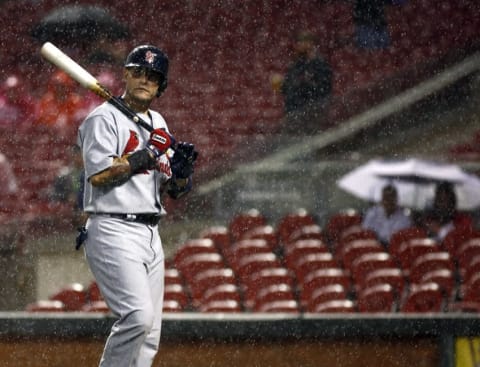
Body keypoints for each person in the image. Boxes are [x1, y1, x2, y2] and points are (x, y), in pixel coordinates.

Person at [77, 45, 197, 366]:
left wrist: (183, 174)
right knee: (137, 318)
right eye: (139, 72)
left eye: (153, 76)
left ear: (161, 86)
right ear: (127, 75)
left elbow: (173, 189)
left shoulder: (157, 120)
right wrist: (150, 152)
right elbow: (100, 175)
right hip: (112, 226)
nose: (145, 80)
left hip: (150, 231)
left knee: (150, 334)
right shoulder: (103, 118)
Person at [272, 31, 333, 134]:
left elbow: (324, 90)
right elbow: (288, 89)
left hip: (310, 115)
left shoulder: (320, 65)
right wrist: (281, 85)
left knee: (308, 144)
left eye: (301, 42)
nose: (298, 45)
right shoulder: (296, 65)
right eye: (298, 42)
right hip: (292, 115)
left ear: (310, 44)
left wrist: (303, 85)